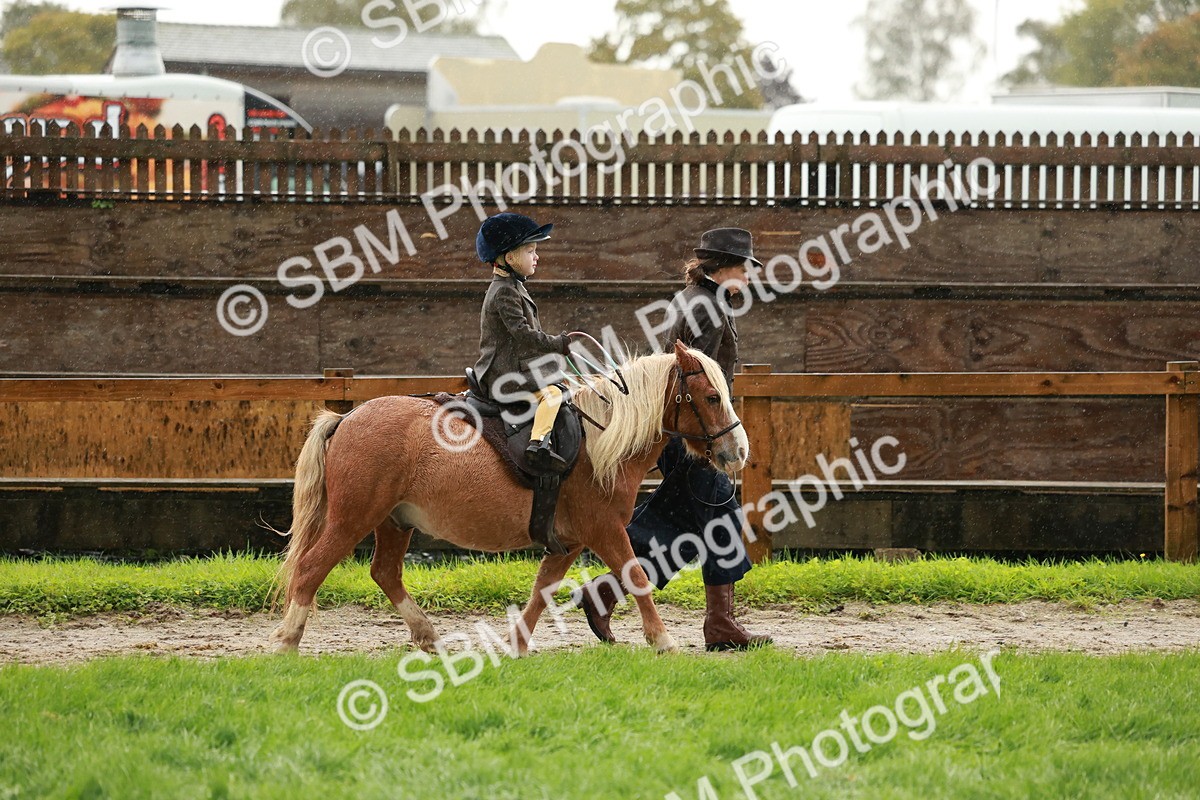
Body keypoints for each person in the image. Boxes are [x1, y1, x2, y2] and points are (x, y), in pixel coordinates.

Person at [573, 228, 773, 652]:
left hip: (685, 437)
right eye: (745, 267)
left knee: (677, 523)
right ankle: (719, 624)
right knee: (722, 520)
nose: (751, 276)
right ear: (723, 268)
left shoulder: (697, 300)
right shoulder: (706, 307)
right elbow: (693, 378)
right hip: (696, 439)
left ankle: (604, 594)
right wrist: (709, 441)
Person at [473, 212, 571, 470]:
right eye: (530, 251)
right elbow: (524, 335)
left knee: (562, 381)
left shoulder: (514, 286)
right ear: (509, 258)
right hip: (502, 373)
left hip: (515, 365)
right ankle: (538, 445)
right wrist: (557, 344)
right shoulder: (504, 292)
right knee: (552, 393)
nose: (536, 257)